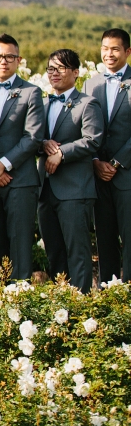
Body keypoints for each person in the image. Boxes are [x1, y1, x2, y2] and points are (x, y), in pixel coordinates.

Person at [0, 34, 44, 281]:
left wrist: (3, 165)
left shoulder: (31, 92)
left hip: (21, 180)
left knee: (20, 244)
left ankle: (21, 302)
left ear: (18, 60)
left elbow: (33, 137)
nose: (4, 61)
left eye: (10, 57)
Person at [36, 49, 103, 293]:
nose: (54, 73)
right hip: (46, 189)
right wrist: (43, 144)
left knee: (78, 251)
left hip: (75, 190)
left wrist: (62, 153)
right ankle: (59, 306)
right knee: (54, 251)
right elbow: (33, 138)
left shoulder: (88, 104)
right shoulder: (42, 104)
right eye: (50, 69)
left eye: (60, 68)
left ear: (76, 72)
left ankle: (81, 304)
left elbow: (93, 140)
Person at [85, 28, 131, 283]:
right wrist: (95, 162)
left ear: (127, 51)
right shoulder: (91, 83)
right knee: (104, 237)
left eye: (115, 49)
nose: (109, 54)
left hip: (126, 172)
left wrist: (115, 162)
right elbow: (85, 127)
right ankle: (107, 295)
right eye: (105, 48)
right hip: (98, 174)